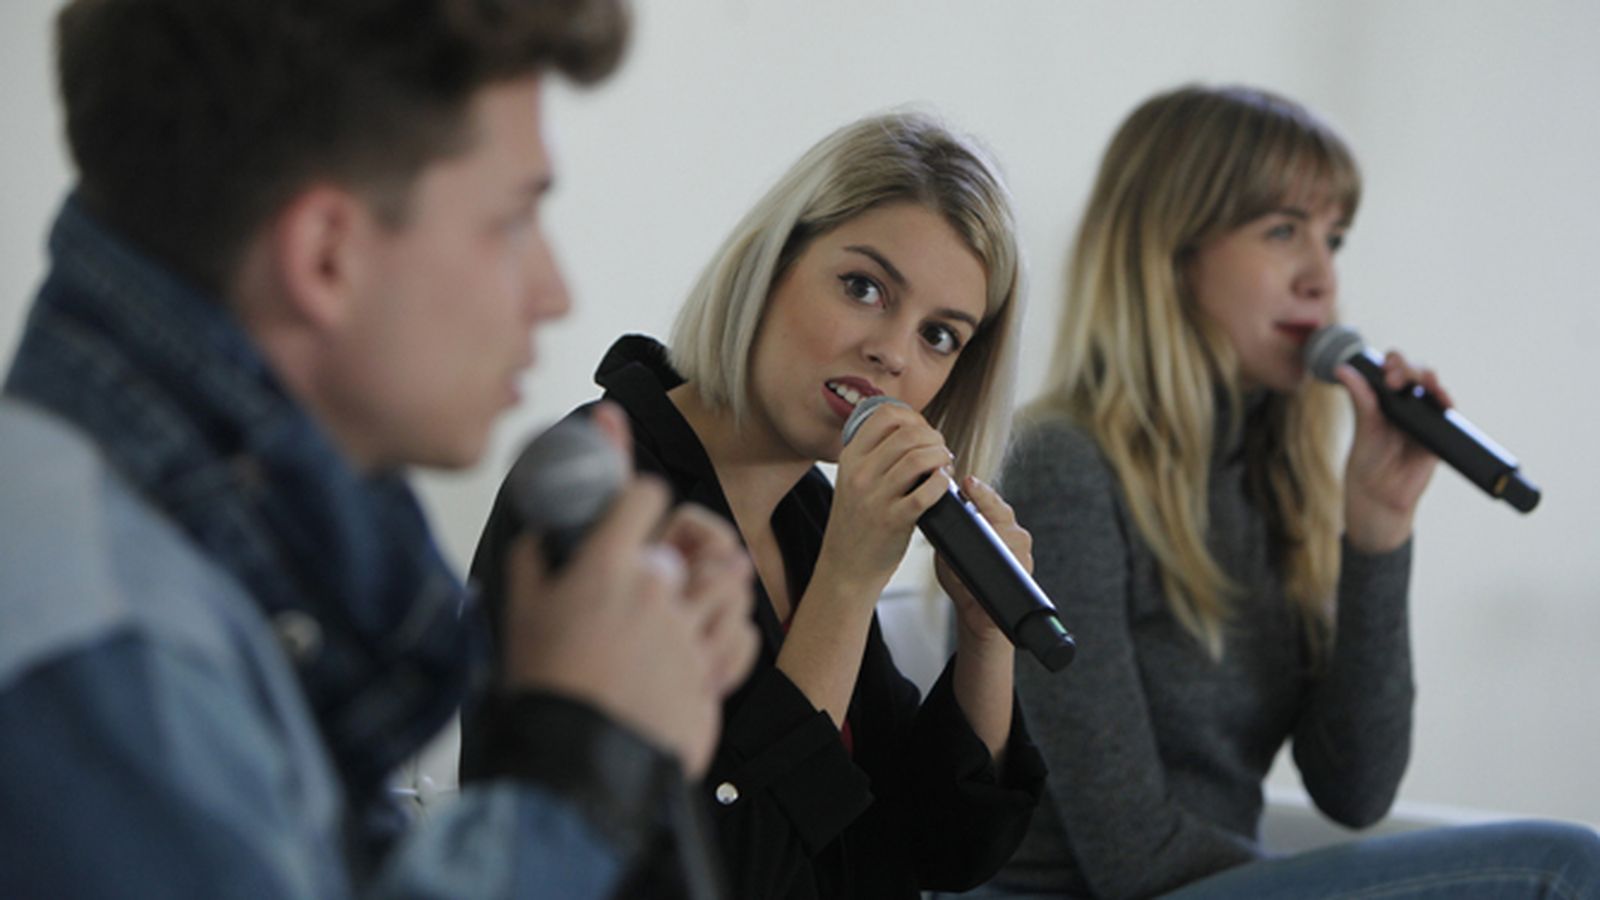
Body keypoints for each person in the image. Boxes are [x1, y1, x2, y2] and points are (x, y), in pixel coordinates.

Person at [0, 0, 758, 896]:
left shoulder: (142, 549)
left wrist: (564, 699)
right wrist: (576, 772)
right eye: (514, 221)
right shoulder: (108, 653)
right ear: (326, 256)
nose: (554, 293)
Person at [976, 85, 1600, 899]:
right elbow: (1132, 856)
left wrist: (1379, 530)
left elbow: (1355, 790)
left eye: (1333, 239)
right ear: (1171, 251)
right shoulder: (1060, 465)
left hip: (1215, 882)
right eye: (1282, 231)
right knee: (1563, 866)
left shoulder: (1268, 473)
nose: (1321, 277)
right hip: (1111, 893)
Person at [468, 110, 1048, 899]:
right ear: (771, 265)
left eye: (940, 336)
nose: (894, 353)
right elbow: (727, 869)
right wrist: (845, 586)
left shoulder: (808, 512)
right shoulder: (605, 492)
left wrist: (986, 643)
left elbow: (938, 850)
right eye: (863, 288)